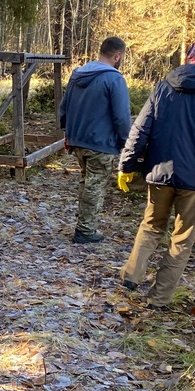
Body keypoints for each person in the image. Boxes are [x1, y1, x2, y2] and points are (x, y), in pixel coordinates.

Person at [117, 40, 195, 308]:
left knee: (151, 226)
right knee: (182, 239)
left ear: (189, 59)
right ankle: (159, 298)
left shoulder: (163, 88)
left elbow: (140, 129)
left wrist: (126, 165)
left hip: (160, 174)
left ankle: (131, 275)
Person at [59, 36, 132, 244]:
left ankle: (84, 222)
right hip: (101, 142)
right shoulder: (114, 79)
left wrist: (68, 132)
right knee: (94, 186)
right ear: (117, 56)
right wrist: (125, 141)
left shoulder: (77, 75)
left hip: (78, 139)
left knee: (86, 182)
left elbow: (64, 108)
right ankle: (85, 230)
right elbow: (121, 116)